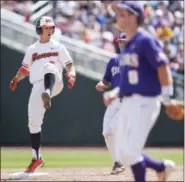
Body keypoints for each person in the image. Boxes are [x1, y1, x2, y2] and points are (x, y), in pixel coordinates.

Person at [103, 1, 177, 181]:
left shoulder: (145, 40)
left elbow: (163, 68)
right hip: (128, 101)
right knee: (122, 152)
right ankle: (161, 167)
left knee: (130, 151)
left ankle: (160, 168)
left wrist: (167, 98)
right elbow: (130, 77)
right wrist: (116, 92)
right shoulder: (128, 44)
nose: (117, 16)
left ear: (133, 17)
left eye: (121, 13)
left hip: (146, 102)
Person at [10, 16, 76, 173]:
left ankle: (47, 92)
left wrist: (71, 75)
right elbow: (25, 69)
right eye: (46, 27)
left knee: (49, 66)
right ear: (39, 29)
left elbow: (69, 66)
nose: (50, 30)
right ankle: (37, 158)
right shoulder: (33, 49)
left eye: (51, 27)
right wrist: (16, 78)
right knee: (33, 121)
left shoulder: (59, 47)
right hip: (38, 85)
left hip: (55, 82)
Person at [96, 32, 127, 175]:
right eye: (121, 42)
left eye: (125, 42)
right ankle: (118, 162)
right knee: (106, 132)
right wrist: (101, 84)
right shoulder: (113, 60)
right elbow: (106, 80)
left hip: (128, 100)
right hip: (114, 101)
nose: (123, 44)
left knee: (114, 128)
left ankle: (124, 158)